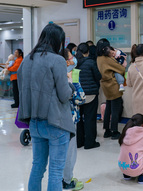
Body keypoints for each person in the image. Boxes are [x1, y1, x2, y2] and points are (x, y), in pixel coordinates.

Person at [17, 23, 75, 191]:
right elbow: (64, 95)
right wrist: (71, 86)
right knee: (56, 171)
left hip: (34, 122)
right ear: (58, 41)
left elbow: (22, 89)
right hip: (56, 122)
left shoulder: (27, 59)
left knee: (37, 167)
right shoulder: (57, 60)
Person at [61, 49, 84, 191]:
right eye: (71, 57)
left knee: (60, 152)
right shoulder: (68, 76)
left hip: (56, 119)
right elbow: (80, 98)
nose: (73, 59)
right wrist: (76, 83)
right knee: (69, 152)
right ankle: (67, 181)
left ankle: (63, 178)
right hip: (69, 118)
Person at [97, 38, 125, 140]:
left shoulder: (98, 58)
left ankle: (107, 130)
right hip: (113, 85)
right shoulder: (107, 59)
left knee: (108, 107)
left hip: (105, 86)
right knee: (115, 108)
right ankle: (114, 131)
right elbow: (121, 69)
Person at [76, 43, 102, 149]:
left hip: (78, 95)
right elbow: (98, 76)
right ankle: (89, 143)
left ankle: (79, 142)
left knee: (79, 120)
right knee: (90, 119)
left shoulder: (74, 63)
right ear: (88, 52)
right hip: (90, 95)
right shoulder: (91, 62)